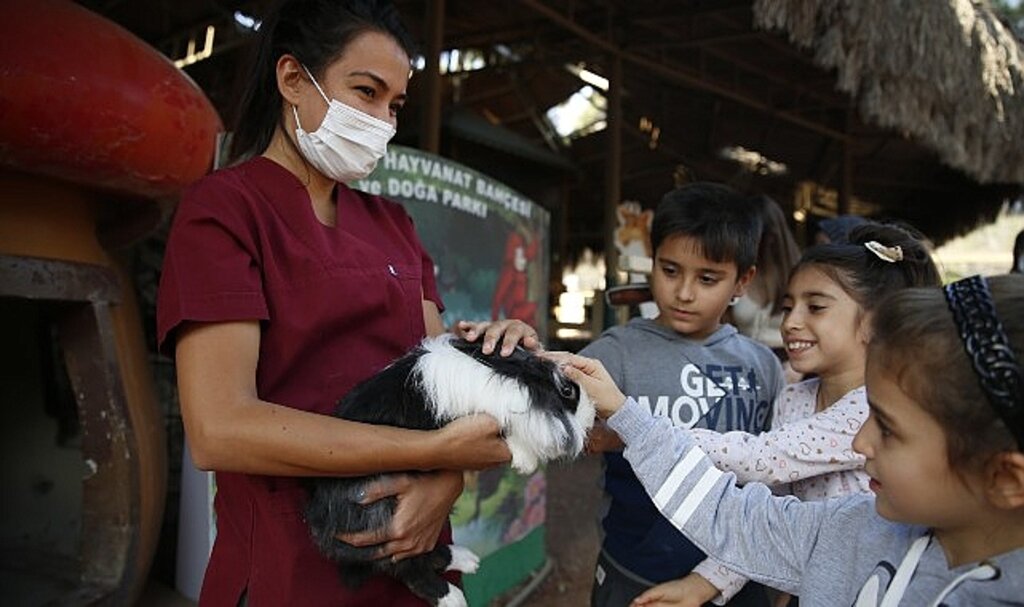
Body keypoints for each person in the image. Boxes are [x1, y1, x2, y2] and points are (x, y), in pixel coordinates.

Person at [155, 1, 534, 604]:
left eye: (395, 105)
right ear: (292, 79)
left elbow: (433, 384)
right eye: (366, 92)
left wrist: (493, 358)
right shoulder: (225, 210)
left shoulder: (393, 224)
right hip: (289, 567)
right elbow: (220, 428)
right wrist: (436, 456)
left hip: (416, 559)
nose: (382, 120)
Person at [557, 273, 1024, 606]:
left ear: (1005, 478)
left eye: (888, 428)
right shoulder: (852, 531)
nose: (860, 443)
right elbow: (732, 515)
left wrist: (630, 426)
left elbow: (758, 463)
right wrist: (629, 419)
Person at [632, 223, 941, 606]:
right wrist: (703, 583)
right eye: (788, 306)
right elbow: (769, 510)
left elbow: (760, 461)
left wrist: (639, 427)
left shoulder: (870, 410)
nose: (792, 322)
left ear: (875, 320)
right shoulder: (793, 399)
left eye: (816, 307)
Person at [580, 182, 786, 607]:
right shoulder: (615, 354)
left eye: (707, 278)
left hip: (736, 579)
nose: (684, 293)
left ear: (743, 280)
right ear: (653, 261)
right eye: (670, 271)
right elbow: (545, 404)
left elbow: (776, 482)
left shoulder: (763, 366)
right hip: (633, 575)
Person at [728, 195, 801, 353]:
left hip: (789, 358)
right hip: (742, 356)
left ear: (771, 236)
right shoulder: (737, 271)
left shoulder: (799, 275)